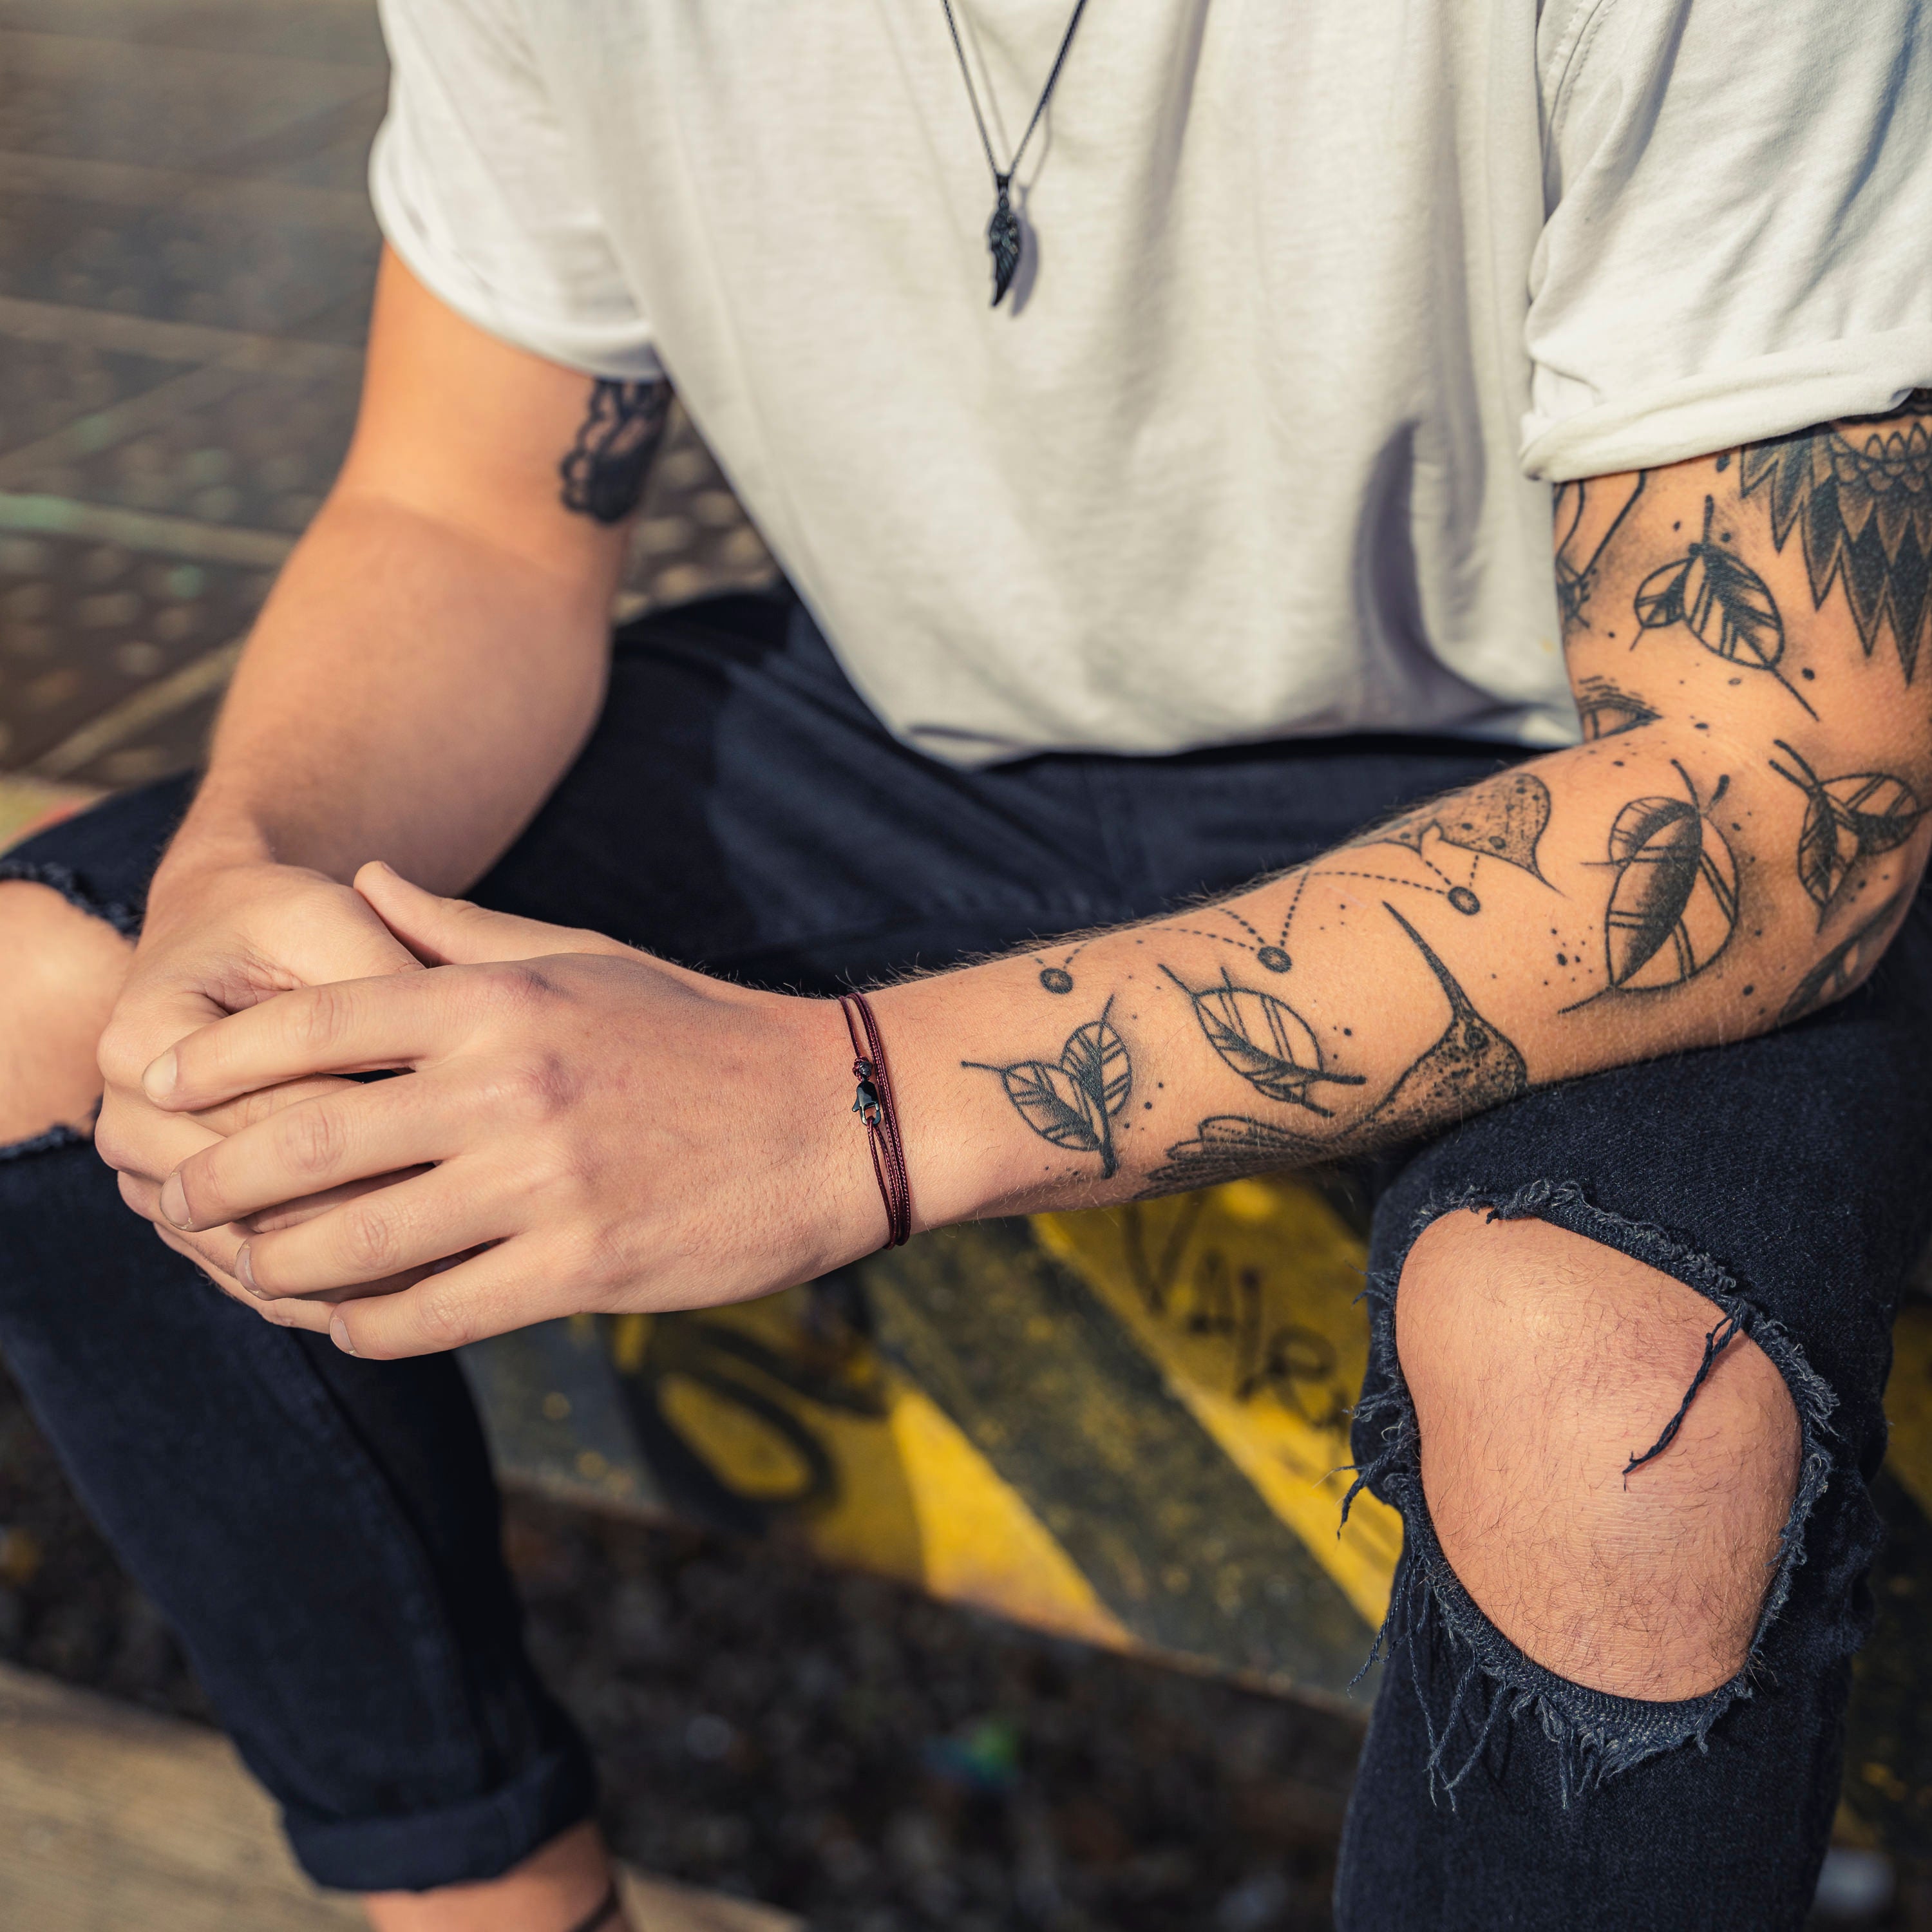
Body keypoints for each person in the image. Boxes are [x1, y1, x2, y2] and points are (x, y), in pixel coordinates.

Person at [3, 1, 1929, 1926]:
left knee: (1613, 1384)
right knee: (73, 1004)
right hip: (934, 736)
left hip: (1574, 762)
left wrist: (844, 1106)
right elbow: (469, 512)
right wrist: (238, 864)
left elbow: (1778, 791)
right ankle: (485, 1900)